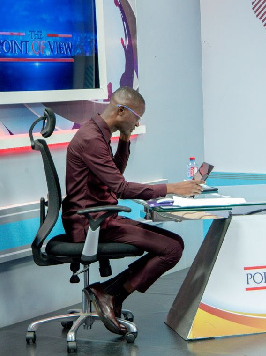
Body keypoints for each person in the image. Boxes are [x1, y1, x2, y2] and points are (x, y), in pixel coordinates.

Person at [62, 86, 203, 334]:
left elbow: (114, 175)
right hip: (91, 224)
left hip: (101, 217)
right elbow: (121, 187)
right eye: (137, 118)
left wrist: (125, 139)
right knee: (171, 249)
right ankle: (110, 294)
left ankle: (109, 293)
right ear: (120, 110)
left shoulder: (97, 134)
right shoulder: (91, 139)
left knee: (175, 244)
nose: (138, 123)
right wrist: (173, 188)